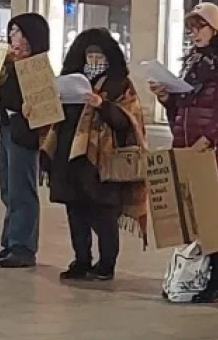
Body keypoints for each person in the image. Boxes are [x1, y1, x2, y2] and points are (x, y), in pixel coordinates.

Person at [149, 3, 218, 303]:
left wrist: (209, 138)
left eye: (201, 27)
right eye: (192, 28)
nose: (195, 34)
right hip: (190, 145)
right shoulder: (195, 61)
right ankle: (198, 273)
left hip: (216, 148)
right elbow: (184, 107)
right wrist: (167, 98)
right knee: (195, 214)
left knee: (216, 216)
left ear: (215, 27)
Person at [42, 28, 148, 282]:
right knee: (75, 211)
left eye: (99, 57)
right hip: (69, 156)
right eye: (90, 57)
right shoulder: (69, 78)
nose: (94, 62)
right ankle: (81, 259)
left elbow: (130, 121)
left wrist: (103, 106)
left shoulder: (120, 84)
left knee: (104, 214)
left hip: (102, 159)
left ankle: (106, 263)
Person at [0, 12, 50, 268]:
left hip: (25, 133)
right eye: (11, 33)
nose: (13, 39)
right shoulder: (8, 66)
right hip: (6, 127)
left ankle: (23, 246)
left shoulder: (36, 68)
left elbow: (31, 104)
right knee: (8, 189)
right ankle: (10, 241)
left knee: (23, 189)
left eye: (18, 33)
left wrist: (5, 102)